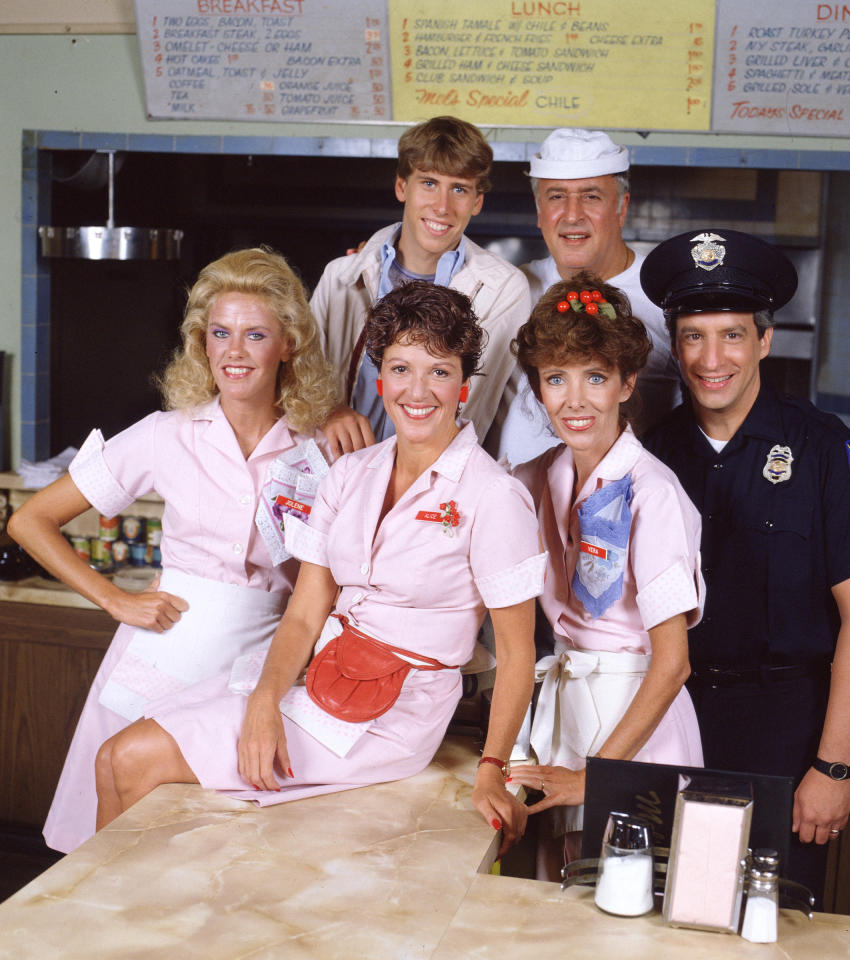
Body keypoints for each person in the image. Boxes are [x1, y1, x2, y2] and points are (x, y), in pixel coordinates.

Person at [93, 281, 546, 853]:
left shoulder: (494, 496)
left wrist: (493, 766)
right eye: (401, 368)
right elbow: (306, 614)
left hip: (395, 710)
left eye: (440, 371)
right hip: (320, 672)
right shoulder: (350, 473)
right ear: (380, 378)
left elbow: (518, 650)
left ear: (463, 382)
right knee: (110, 755)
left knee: (134, 758)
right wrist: (263, 703)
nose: (418, 391)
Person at [8, 247, 338, 854]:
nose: (234, 352)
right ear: (201, 342)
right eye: (220, 333)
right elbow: (31, 520)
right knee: (116, 851)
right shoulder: (166, 434)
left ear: (287, 345)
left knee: (213, 854)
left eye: (255, 334)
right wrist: (115, 600)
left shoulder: (319, 448)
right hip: (166, 653)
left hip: (263, 666)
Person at [641, 228, 850, 903]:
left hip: (785, 731)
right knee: (657, 918)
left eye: (731, 334)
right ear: (675, 344)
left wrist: (833, 767)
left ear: (764, 340)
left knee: (769, 923)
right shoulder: (650, 454)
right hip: (677, 719)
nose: (711, 357)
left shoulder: (825, 452)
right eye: (694, 335)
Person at [505, 272, 704, 879]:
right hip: (565, 705)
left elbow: (674, 662)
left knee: (625, 899)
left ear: (627, 383)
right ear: (538, 389)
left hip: (637, 723)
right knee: (554, 896)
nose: (574, 400)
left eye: (594, 377)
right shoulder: (533, 477)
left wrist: (596, 776)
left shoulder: (654, 492)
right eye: (555, 379)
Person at [310, 115, 530, 457]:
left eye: (459, 189)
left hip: (436, 486)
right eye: (429, 183)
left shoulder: (504, 289)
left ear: (477, 202)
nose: (442, 207)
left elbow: (484, 411)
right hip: (338, 475)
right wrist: (329, 410)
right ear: (402, 187)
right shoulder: (340, 277)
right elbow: (301, 377)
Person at [491, 128, 682, 466]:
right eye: (556, 196)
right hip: (510, 501)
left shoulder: (666, 296)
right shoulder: (512, 288)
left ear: (621, 208)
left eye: (591, 196)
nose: (573, 214)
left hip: (623, 505)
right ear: (539, 210)